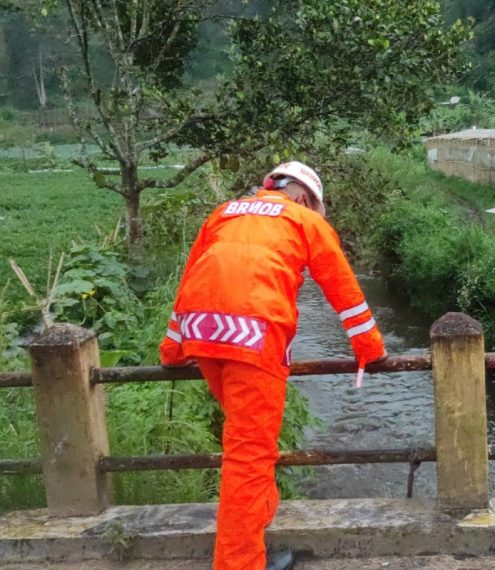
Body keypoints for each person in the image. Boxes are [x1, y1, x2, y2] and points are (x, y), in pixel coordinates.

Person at [160, 161, 387, 570]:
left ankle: (256, 531)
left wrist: (172, 348)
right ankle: (240, 563)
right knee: (249, 455)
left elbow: (192, 277)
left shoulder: (225, 211)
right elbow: (343, 290)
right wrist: (369, 348)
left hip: (201, 333)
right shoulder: (305, 220)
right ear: (304, 198)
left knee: (249, 442)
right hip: (254, 337)